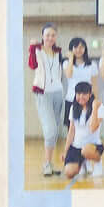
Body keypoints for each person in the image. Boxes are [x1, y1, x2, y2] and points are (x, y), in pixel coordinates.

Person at [27, 23, 66, 176]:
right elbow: (32, 65)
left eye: (53, 35)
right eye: (47, 35)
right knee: (50, 130)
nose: (50, 38)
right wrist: (32, 48)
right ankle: (46, 164)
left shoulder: (58, 52)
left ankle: (49, 163)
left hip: (58, 93)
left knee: (54, 131)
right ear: (42, 36)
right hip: (43, 93)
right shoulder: (37, 50)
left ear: (56, 37)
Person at [62, 80, 103, 180]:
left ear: (90, 94)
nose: (81, 96)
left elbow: (93, 128)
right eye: (78, 94)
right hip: (77, 146)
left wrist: (94, 109)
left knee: (85, 151)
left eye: (84, 94)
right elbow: (71, 131)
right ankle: (83, 162)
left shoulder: (98, 107)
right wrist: (65, 151)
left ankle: (97, 162)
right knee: (69, 172)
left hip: (93, 146)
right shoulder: (73, 108)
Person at [63, 36, 98, 128]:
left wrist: (95, 100)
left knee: (87, 126)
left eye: (81, 47)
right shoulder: (66, 63)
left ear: (85, 49)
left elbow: (94, 84)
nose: (78, 50)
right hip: (71, 98)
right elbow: (68, 75)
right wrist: (71, 58)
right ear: (71, 49)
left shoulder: (92, 65)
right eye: (76, 47)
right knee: (71, 128)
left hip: (88, 100)